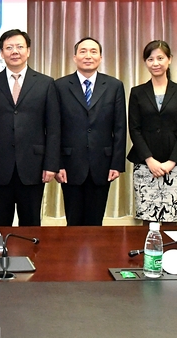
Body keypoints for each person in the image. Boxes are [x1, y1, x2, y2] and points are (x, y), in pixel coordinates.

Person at [0, 29, 60, 226]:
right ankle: (1, 249)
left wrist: (51, 164)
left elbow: (53, 128)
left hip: (33, 166)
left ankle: (30, 248)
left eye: (20, 47)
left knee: (31, 222)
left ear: (28, 51)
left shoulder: (46, 83)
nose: (15, 51)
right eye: (9, 47)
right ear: (1, 52)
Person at [54, 37, 126, 226]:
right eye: (83, 51)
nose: (88, 56)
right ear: (74, 57)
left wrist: (116, 164)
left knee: (96, 222)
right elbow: (54, 128)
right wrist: (57, 164)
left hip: (102, 164)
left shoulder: (114, 86)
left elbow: (120, 127)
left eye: (93, 52)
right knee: (73, 221)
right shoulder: (60, 86)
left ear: (100, 57)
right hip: (70, 165)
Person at [127, 40, 177, 225]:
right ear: (145, 62)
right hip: (145, 165)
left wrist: (171, 162)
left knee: (171, 221)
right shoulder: (137, 92)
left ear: (169, 59)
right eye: (150, 59)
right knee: (147, 221)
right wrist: (149, 160)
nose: (155, 63)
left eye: (160, 58)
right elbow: (134, 129)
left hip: (175, 165)